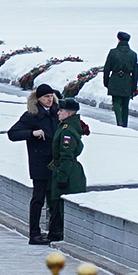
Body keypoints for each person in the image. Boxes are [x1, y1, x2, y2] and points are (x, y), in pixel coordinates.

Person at [8, 84, 62, 244]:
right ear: (38, 99)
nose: (49, 100)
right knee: (38, 199)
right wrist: (32, 133)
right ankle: (34, 233)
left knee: (54, 199)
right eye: (46, 97)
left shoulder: (56, 113)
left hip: (55, 163)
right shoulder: (31, 115)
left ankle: (54, 232)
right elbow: (12, 133)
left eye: (51, 96)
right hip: (39, 162)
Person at [47, 98, 87, 246]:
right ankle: (55, 232)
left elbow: (66, 156)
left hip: (68, 172)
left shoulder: (67, 131)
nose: (58, 113)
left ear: (69, 113)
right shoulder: (66, 126)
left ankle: (58, 234)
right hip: (64, 169)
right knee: (57, 203)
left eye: (61, 111)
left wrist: (62, 177)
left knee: (60, 203)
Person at [96, 32, 138, 130]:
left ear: (119, 39)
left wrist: (106, 81)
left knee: (116, 101)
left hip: (115, 78)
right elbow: (136, 72)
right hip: (127, 80)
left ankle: (119, 120)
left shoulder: (113, 52)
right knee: (125, 103)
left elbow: (107, 68)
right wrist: (134, 85)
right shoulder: (133, 54)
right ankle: (125, 123)